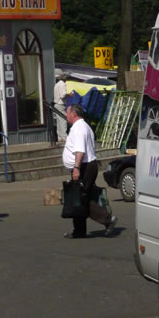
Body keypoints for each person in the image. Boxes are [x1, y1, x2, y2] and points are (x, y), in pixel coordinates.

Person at [62, 104, 117, 239]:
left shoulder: (79, 129)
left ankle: (107, 220)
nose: (66, 115)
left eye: (67, 112)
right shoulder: (83, 126)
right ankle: (79, 230)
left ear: (74, 114)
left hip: (84, 167)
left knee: (80, 199)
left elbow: (80, 150)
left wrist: (76, 168)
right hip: (86, 166)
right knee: (81, 197)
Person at [53, 70, 69, 142]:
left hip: (56, 104)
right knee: (63, 120)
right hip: (61, 104)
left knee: (59, 122)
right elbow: (63, 95)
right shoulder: (62, 84)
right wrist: (69, 94)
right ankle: (64, 137)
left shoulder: (56, 84)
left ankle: (60, 137)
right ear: (65, 79)